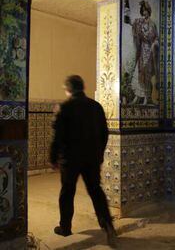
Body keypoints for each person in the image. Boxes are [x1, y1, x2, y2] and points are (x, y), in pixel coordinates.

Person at [50, 75, 117, 247]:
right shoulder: (96, 107)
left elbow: (57, 137)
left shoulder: (65, 107)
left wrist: (53, 158)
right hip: (92, 158)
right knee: (96, 191)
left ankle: (65, 227)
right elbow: (105, 133)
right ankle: (108, 225)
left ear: (69, 89)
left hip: (70, 159)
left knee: (67, 191)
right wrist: (100, 154)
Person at [130, 0, 159, 105]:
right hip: (142, 49)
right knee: (139, 72)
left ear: (149, 11)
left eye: (146, 10)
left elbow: (154, 38)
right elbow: (136, 31)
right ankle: (137, 97)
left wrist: (152, 43)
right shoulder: (139, 22)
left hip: (149, 50)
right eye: (143, 10)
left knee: (146, 74)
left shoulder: (152, 24)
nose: (144, 12)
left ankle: (146, 97)